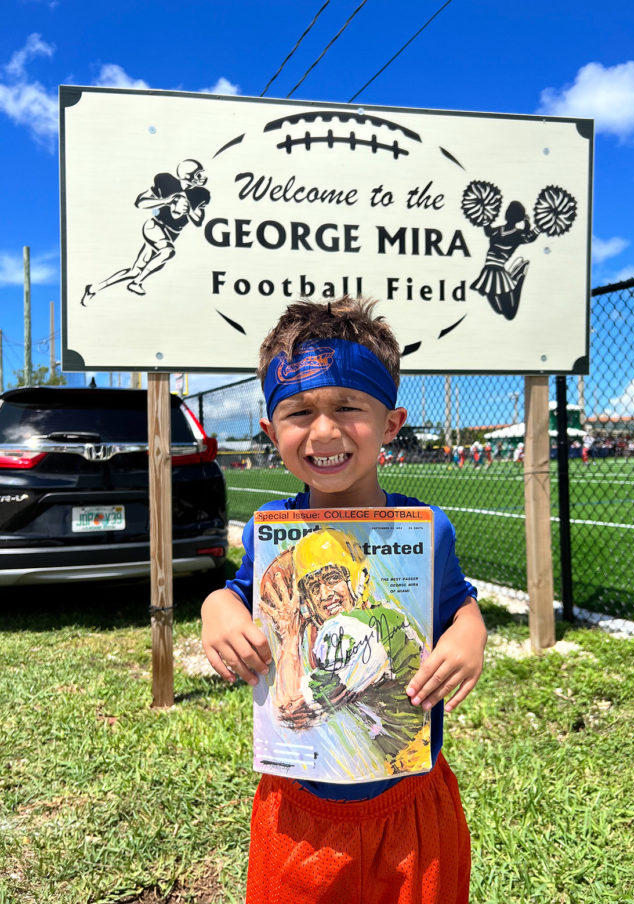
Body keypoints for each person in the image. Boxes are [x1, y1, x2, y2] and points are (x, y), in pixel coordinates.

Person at [201, 297, 487, 904]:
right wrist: (215, 609)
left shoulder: (425, 529)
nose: (324, 431)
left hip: (408, 802)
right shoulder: (269, 530)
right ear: (270, 430)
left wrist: (468, 634)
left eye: (348, 407)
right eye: (299, 411)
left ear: (390, 423)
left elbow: (459, 607)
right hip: (297, 805)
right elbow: (237, 594)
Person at [259, 528, 429, 778]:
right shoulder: (383, 616)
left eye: (332, 578)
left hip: (410, 766)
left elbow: (291, 711)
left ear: (358, 578)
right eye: (313, 586)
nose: (325, 594)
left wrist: (289, 633)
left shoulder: (353, 630)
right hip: (405, 762)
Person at [80, 159, 210, 304]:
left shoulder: (201, 194)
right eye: (198, 174)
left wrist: (188, 209)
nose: (202, 177)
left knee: (135, 270)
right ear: (187, 175)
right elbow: (140, 202)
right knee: (168, 251)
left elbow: (198, 220)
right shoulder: (166, 181)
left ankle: (94, 288)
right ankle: (136, 283)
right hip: (155, 227)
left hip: (172, 234)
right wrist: (166, 201)